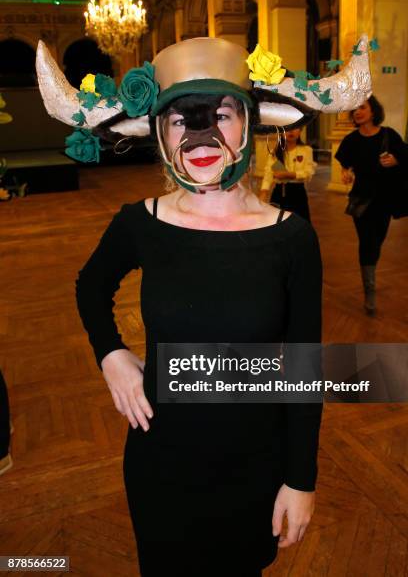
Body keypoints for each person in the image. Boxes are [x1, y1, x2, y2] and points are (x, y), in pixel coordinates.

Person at [36, 35, 373, 577]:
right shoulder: (139, 223)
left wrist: (300, 479)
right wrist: (111, 355)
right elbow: (90, 286)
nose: (200, 135)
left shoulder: (291, 239)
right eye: (179, 121)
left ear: (250, 121)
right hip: (161, 463)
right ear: (161, 132)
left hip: (254, 467)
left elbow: (303, 369)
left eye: (221, 113)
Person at [335, 95, 408, 315]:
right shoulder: (351, 140)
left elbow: (406, 155)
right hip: (362, 201)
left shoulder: (389, 135)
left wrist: (396, 160)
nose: (357, 112)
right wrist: (346, 172)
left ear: (373, 111)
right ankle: (370, 293)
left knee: (377, 243)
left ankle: (370, 273)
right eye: (355, 109)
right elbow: (345, 164)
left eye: (362, 108)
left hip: (385, 202)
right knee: (367, 242)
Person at [259, 128, 316, 221]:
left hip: (298, 193)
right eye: (287, 129)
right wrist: (264, 192)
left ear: (300, 131)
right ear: (281, 133)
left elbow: (309, 172)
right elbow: (268, 173)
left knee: (299, 223)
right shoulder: (275, 151)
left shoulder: (306, 150)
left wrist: (290, 175)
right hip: (278, 192)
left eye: (295, 128)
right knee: (277, 223)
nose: (291, 131)